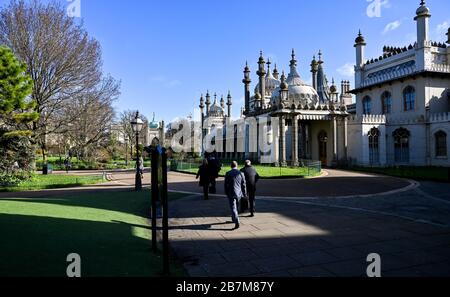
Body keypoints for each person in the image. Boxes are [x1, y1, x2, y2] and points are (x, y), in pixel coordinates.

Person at [224, 161, 247, 230]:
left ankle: (236, 221)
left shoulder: (228, 173)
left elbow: (226, 185)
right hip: (239, 193)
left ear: (231, 166)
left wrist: (226, 193)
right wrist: (244, 193)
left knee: (233, 207)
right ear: (237, 166)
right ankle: (234, 219)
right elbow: (244, 184)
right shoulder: (241, 173)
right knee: (236, 206)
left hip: (231, 193)